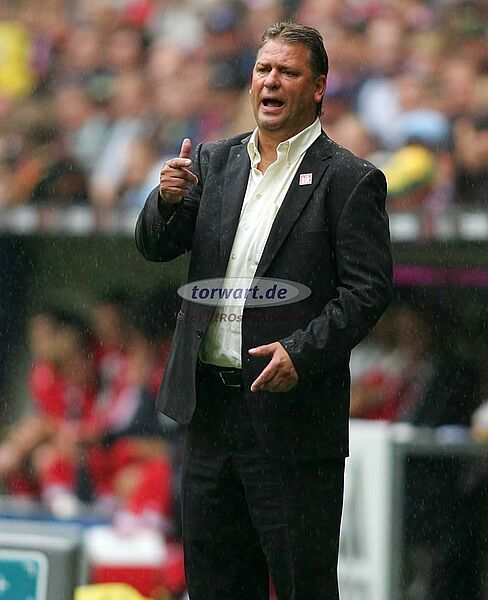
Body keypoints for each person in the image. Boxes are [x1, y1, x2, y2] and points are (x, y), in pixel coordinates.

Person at [135, 21, 393, 600]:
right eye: (263, 69)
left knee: (303, 586)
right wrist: (165, 201)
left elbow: (368, 291)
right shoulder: (214, 161)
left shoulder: (350, 180)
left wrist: (301, 353)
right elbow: (155, 245)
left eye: (288, 72)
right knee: (214, 587)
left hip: (292, 422)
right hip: (209, 413)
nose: (270, 81)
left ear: (318, 87)